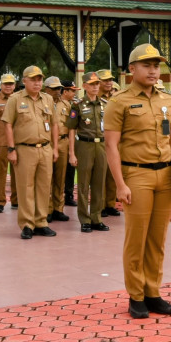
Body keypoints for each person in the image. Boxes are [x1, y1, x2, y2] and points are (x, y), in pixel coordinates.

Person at [104, 43, 171, 319]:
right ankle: (136, 295)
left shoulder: (167, 99)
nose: (153, 70)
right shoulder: (119, 101)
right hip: (136, 174)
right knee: (136, 238)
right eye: (147, 65)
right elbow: (111, 146)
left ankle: (153, 292)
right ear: (132, 69)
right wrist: (120, 184)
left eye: (156, 65)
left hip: (164, 175)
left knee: (158, 239)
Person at [2, 65, 58, 239]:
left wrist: (55, 148)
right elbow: (8, 124)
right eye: (33, 79)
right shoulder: (15, 99)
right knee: (25, 187)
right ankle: (27, 224)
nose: (37, 83)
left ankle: (41, 222)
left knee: (43, 187)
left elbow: (55, 124)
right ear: (24, 81)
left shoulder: (48, 99)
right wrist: (11, 149)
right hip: (24, 149)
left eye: (39, 79)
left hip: (45, 148)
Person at [67, 71, 109, 232]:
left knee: (99, 183)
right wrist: (72, 153)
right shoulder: (77, 105)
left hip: (101, 146)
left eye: (97, 84)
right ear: (84, 86)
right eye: (92, 84)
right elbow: (71, 129)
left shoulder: (104, 104)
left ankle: (96, 218)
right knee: (84, 184)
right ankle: (85, 219)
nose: (95, 87)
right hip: (84, 145)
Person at [45, 77, 75, 223]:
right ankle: (48, 209)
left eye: (59, 88)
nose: (58, 91)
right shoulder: (43, 103)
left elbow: (71, 127)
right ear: (46, 89)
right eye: (54, 89)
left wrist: (71, 148)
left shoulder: (66, 104)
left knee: (60, 177)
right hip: (47, 143)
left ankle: (58, 208)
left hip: (63, 142)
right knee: (47, 178)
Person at [0, 73, 19, 213]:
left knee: (17, 173)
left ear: (14, 85)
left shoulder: (19, 99)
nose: (8, 86)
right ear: (0, 85)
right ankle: (0, 202)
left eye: (11, 84)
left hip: (17, 141)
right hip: (1, 142)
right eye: (6, 84)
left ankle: (16, 200)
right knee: (0, 173)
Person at [97, 68, 122, 218]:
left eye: (110, 80)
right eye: (105, 80)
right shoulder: (93, 98)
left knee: (112, 174)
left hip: (115, 140)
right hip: (99, 140)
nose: (109, 82)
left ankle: (110, 204)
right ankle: (100, 205)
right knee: (100, 175)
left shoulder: (116, 98)